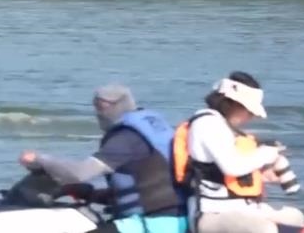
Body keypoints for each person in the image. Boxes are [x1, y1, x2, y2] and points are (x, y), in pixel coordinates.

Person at [18, 84, 187, 233]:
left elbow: (79, 173)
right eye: (96, 106)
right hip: (172, 218)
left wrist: (40, 160)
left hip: (153, 224)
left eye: (103, 106)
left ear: (122, 104)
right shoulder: (152, 128)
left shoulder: (126, 138)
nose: (99, 112)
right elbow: (147, 188)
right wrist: (89, 194)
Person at [172, 71, 304, 233]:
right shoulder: (207, 124)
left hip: (245, 209)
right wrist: (265, 154)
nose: (252, 117)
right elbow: (232, 167)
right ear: (233, 104)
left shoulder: (225, 126)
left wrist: (264, 176)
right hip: (213, 213)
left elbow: (232, 170)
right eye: (250, 111)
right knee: (263, 229)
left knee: (296, 217)